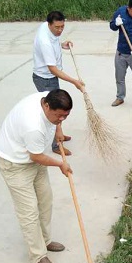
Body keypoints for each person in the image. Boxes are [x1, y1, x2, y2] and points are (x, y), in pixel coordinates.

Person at [0, 90, 74, 263]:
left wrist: (58, 128)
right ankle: (38, 255)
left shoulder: (50, 96)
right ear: (46, 105)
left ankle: (45, 241)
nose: (62, 119)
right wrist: (60, 164)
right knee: (29, 211)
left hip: (33, 158)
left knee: (45, 201)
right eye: (59, 116)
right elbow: (36, 156)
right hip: (14, 163)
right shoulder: (33, 125)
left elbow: (38, 154)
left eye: (66, 115)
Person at [32, 10, 84, 155]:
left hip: (49, 77)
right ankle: (56, 145)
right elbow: (53, 69)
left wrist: (62, 44)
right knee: (55, 112)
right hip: (45, 79)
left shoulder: (47, 27)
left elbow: (54, 41)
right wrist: (74, 81)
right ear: (49, 24)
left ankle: (58, 135)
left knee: (58, 109)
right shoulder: (45, 42)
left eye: (62, 26)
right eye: (57, 27)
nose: (60, 30)